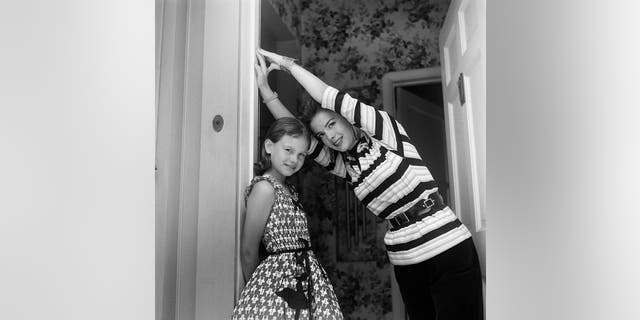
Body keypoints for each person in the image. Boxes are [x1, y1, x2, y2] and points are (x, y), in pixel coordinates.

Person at [255, 48, 483, 320]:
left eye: (332, 124)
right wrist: (266, 91)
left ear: (346, 116)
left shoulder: (385, 132)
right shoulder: (348, 167)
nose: (330, 137)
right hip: (405, 260)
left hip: (447, 247)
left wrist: (285, 64)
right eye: (322, 134)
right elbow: (297, 136)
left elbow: (327, 94)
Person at [232, 117, 343, 320]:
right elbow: (248, 251)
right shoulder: (265, 188)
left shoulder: (289, 190)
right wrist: (259, 291)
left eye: (301, 155)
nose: (294, 160)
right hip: (278, 282)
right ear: (269, 146)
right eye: (288, 150)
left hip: (306, 277)